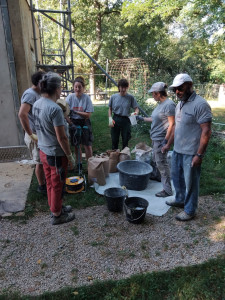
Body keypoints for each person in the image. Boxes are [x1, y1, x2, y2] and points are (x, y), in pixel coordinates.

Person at [162, 73, 212, 221]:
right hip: (178, 150)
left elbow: (206, 131)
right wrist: (168, 144)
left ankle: (190, 210)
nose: (177, 92)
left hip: (191, 152)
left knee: (191, 183)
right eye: (175, 89)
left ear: (190, 85)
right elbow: (177, 126)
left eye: (180, 88)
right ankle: (179, 199)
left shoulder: (200, 104)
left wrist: (199, 155)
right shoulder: (180, 103)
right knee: (177, 179)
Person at [33, 72, 76, 225]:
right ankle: (57, 215)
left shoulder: (37, 103)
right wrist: (69, 156)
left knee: (50, 183)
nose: (61, 90)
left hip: (43, 150)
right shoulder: (55, 109)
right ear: (56, 89)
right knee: (57, 184)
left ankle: (55, 207)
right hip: (56, 154)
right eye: (60, 87)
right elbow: (62, 137)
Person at [136, 82, 175, 198]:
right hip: (155, 138)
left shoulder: (169, 105)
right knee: (156, 160)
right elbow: (154, 119)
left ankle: (167, 190)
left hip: (161, 139)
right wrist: (141, 118)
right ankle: (157, 176)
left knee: (162, 164)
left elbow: (172, 125)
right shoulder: (160, 105)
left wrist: (166, 141)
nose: (152, 95)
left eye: (153, 93)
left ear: (158, 93)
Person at [18, 71, 46, 194]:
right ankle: (41, 186)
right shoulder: (30, 94)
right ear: (40, 83)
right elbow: (22, 114)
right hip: (34, 135)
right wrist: (30, 134)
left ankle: (45, 182)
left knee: (42, 160)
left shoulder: (37, 93)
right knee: (39, 161)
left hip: (39, 133)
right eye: (44, 83)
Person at [66, 76, 94, 171]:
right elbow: (64, 112)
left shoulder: (86, 98)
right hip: (74, 122)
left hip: (85, 122)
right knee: (77, 145)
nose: (77, 89)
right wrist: (70, 123)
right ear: (73, 87)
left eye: (79, 87)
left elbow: (88, 115)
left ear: (83, 88)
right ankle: (79, 164)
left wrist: (75, 112)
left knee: (88, 145)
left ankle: (91, 164)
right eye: (76, 87)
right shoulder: (70, 98)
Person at [108, 79, 139, 150]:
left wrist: (135, 113)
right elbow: (110, 108)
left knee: (125, 140)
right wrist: (110, 119)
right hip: (116, 119)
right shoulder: (113, 97)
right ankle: (115, 157)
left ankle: (124, 157)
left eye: (125, 87)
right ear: (119, 87)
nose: (123, 89)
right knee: (114, 140)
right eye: (122, 87)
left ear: (127, 87)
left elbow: (136, 108)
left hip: (126, 120)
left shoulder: (130, 97)